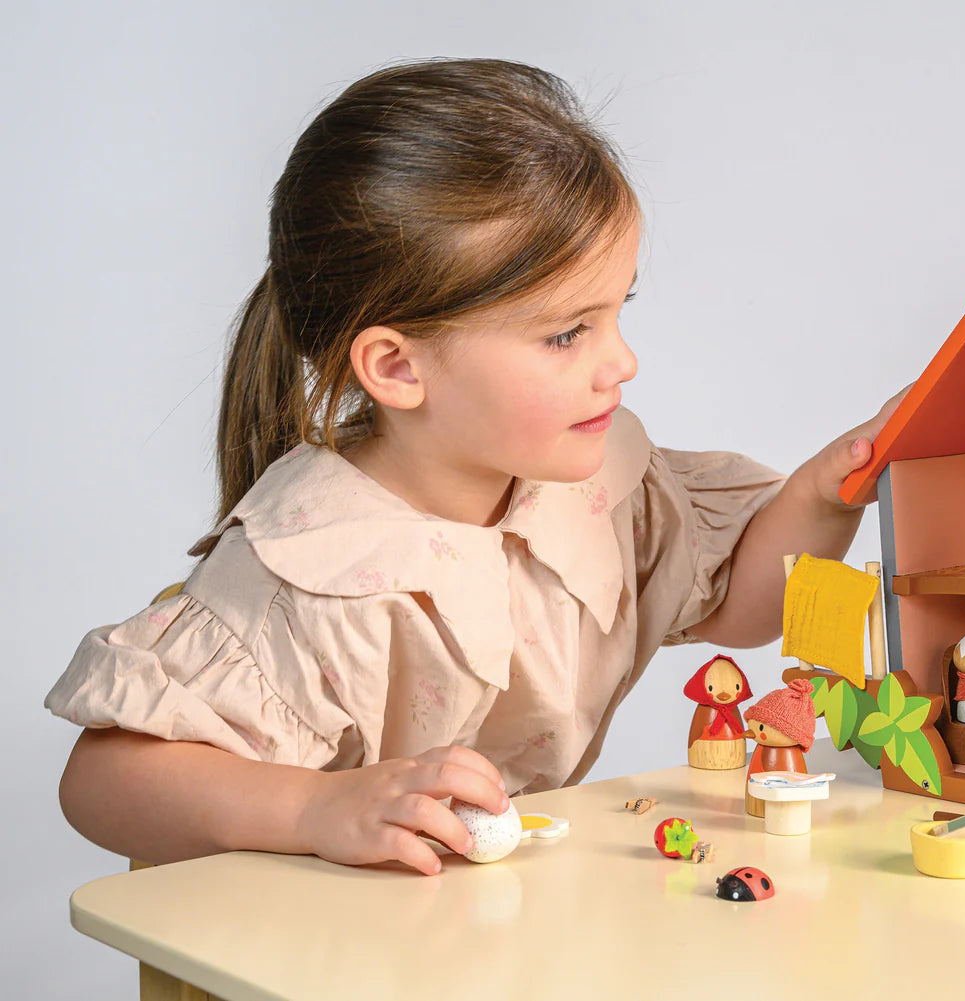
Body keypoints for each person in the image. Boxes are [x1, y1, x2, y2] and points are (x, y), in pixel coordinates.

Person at [47, 58, 904, 877]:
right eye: (568, 333)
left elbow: (741, 602)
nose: (622, 362)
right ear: (396, 367)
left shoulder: (591, 486)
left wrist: (826, 490)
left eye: (616, 312)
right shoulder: (314, 566)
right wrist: (312, 808)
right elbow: (101, 782)